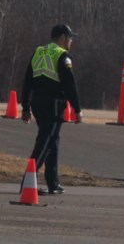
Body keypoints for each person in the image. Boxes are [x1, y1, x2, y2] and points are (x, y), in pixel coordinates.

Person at [21, 24, 82, 195]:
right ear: (63, 38)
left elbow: (27, 81)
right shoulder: (62, 55)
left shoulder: (39, 51)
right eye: (70, 38)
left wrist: (25, 107)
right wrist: (77, 109)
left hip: (37, 103)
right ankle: (27, 181)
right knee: (45, 142)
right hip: (53, 104)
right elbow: (70, 85)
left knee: (53, 140)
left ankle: (52, 182)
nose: (71, 41)